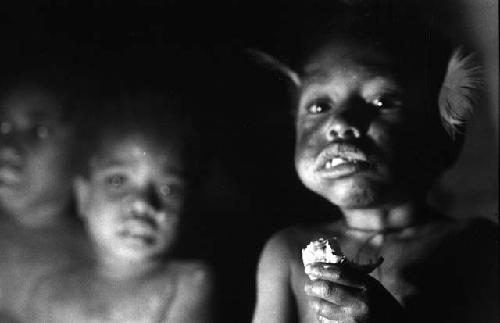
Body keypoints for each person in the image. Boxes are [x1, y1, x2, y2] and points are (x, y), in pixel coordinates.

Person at [251, 3, 498, 323]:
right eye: (318, 106)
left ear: (444, 135)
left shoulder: (476, 248)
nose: (339, 122)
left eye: (381, 101)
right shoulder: (287, 253)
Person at [27, 91, 213, 322]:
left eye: (168, 190)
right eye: (118, 181)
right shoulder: (52, 294)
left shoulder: (186, 284)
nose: (142, 203)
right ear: (83, 196)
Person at [0, 67, 90, 320]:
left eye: (38, 132)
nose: (8, 148)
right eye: (3, 128)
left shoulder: (93, 262)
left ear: (81, 151)